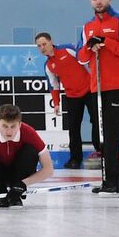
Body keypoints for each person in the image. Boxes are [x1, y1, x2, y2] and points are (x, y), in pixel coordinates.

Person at [78, 0, 119, 195]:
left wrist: (105, 41)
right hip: (97, 87)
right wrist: (90, 46)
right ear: (90, 1)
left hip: (118, 85)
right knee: (101, 136)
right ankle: (107, 181)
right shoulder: (87, 27)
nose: (98, 2)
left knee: (112, 135)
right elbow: (80, 57)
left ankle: (114, 182)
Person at [35, 32, 97, 170]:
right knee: (73, 129)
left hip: (89, 91)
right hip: (72, 96)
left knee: (96, 121)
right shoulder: (48, 65)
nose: (42, 48)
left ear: (51, 42)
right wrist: (56, 103)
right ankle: (75, 159)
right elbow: (54, 86)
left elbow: (85, 58)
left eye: (44, 44)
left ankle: (101, 151)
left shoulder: (68, 49)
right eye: (39, 46)